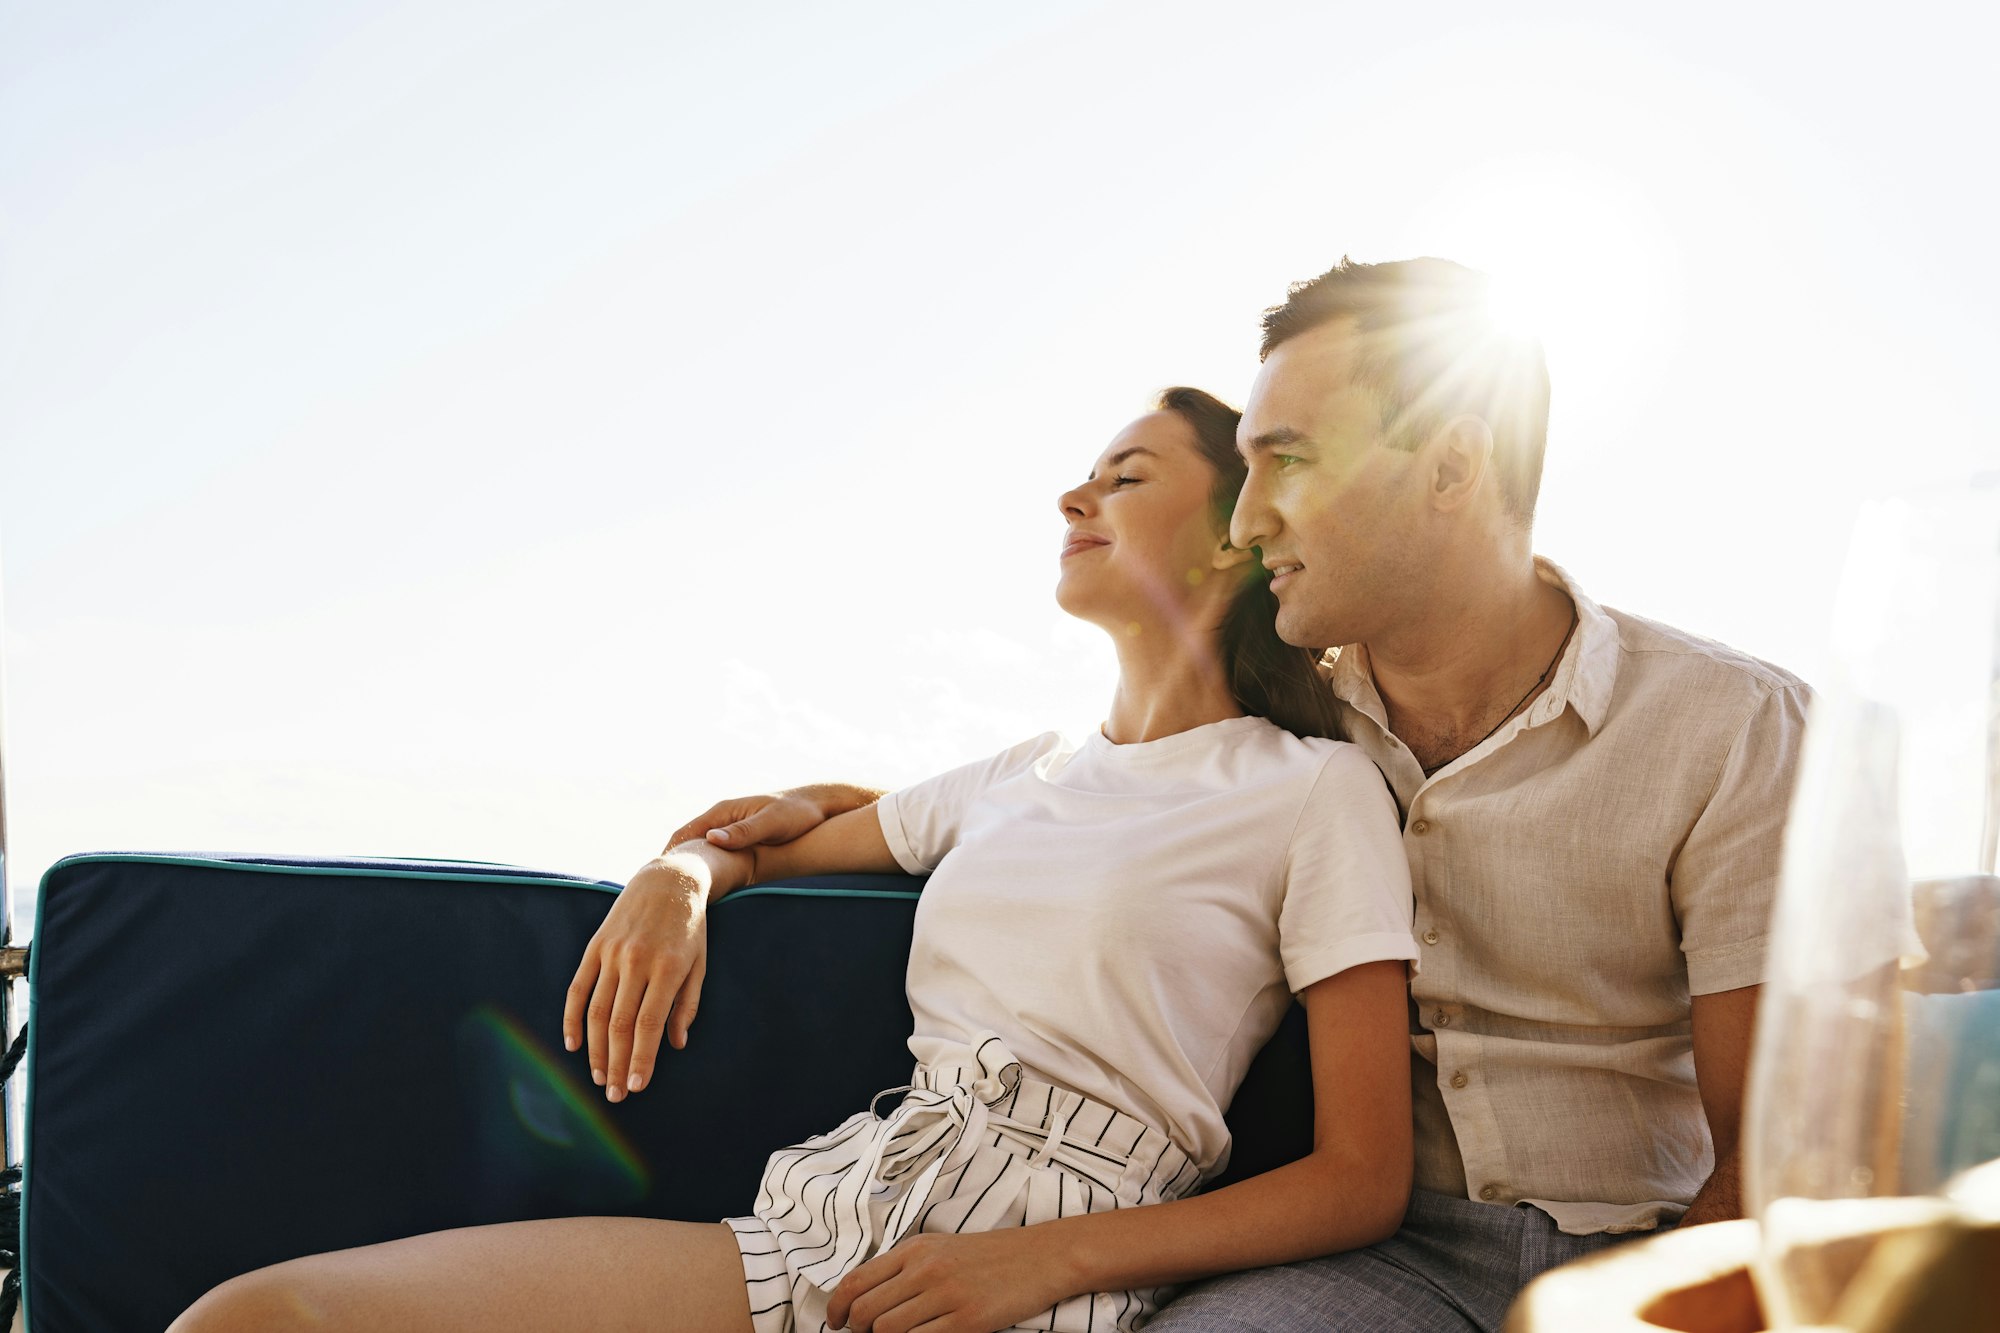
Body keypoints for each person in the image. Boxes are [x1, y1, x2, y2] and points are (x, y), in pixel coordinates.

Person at [686, 259, 1812, 1333]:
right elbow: (1089, 800)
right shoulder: (1289, 736)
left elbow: (1772, 1157)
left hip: (1654, 1243)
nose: (1247, 516)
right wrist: (736, 843)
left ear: (1450, 468)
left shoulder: (1728, 728)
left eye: (1289, 461)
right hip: (1389, 1261)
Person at [168, 388, 1423, 1333]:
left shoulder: (1312, 791)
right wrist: (673, 881)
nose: (1070, 497)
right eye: (1081, 474)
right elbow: (757, 848)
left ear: (1229, 540)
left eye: (1124, 475)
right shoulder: (1013, 777)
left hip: (1053, 1279)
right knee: (256, 1317)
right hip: (820, 1225)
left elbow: (1360, 1177)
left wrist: (1054, 1258)